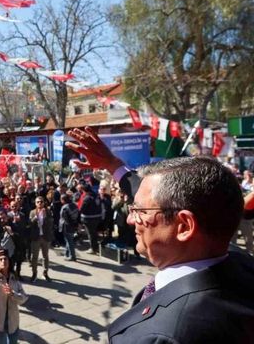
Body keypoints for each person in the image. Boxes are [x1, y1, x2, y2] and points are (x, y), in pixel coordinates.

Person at [67, 126, 254, 343]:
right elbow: (158, 198)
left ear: (184, 226)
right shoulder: (235, 259)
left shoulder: (162, 335)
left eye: (138, 211)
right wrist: (113, 165)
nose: (130, 219)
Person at [0, 248, 28, 344]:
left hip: (13, 321)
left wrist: (12, 294)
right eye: (0, 259)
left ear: (9, 261)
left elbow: (23, 298)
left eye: (5, 259)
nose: (3, 261)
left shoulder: (14, 277)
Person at [29, 197, 53, 281]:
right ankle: (34, 273)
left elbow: (51, 223)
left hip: (45, 237)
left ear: (44, 203)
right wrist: (35, 218)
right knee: (34, 257)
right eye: (38, 202)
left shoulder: (48, 211)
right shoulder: (32, 212)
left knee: (45, 256)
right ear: (35, 203)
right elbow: (30, 224)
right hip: (36, 237)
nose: (39, 203)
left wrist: (45, 216)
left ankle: (45, 273)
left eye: (41, 201)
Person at [79, 184, 102, 254]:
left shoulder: (87, 198)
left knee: (90, 234)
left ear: (84, 190)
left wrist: (79, 213)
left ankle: (93, 248)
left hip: (88, 219)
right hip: (97, 217)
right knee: (94, 233)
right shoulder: (96, 196)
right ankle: (96, 247)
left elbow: (82, 209)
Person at [59, 194, 79, 261]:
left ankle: (72, 256)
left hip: (66, 226)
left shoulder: (65, 208)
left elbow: (65, 218)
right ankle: (67, 253)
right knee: (69, 240)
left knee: (69, 241)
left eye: (61, 199)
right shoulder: (74, 205)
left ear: (63, 200)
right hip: (73, 225)